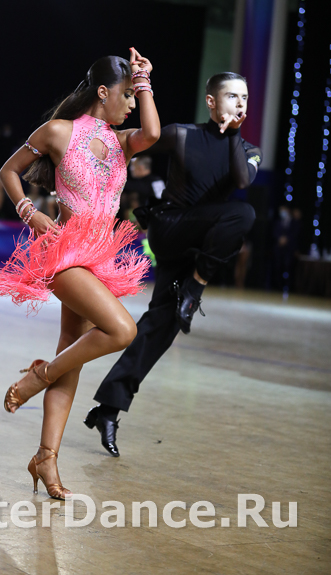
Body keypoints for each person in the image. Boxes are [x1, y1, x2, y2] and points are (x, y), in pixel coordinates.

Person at [0, 50, 160, 499]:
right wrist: (29, 211)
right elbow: (9, 170)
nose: (132, 104)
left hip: (99, 258)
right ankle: (38, 376)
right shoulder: (59, 132)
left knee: (72, 352)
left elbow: (154, 132)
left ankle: (46, 456)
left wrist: (143, 81)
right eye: (126, 95)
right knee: (122, 330)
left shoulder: (122, 142)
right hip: (64, 253)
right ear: (103, 92)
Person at [84, 71, 262, 457]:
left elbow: (241, 180)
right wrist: (78, 152)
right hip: (170, 229)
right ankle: (195, 288)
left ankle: (108, 408)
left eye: (245, 98)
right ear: (211, 102)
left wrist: (233, 133)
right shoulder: (182, 134)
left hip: (200, 244)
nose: (240, 103)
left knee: (161, 326)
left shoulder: (248, 151)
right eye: (232, 96)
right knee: (243, 214)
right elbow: (125, 141)